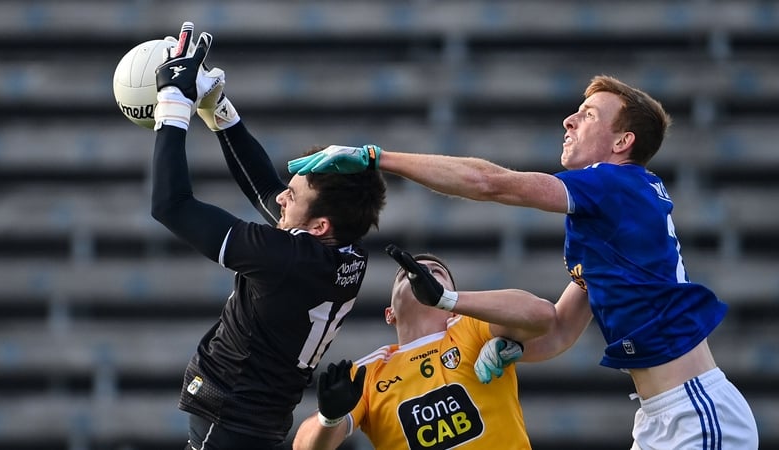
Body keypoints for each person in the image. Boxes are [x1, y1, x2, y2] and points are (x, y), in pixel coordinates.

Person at [287, 75, 759, 449]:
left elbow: (493, 183)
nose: (569, 121)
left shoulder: (616, 185)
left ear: (621, 143)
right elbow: (557, 330)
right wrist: (513, 349)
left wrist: (378, 157)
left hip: (692, 410)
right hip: (660, 415)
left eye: (588, 115)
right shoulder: (605, 220)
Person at [149, 23, 387, 449]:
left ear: (319, 227)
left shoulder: (286, 258)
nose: (281, 200)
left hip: (227, 417)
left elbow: (170, 205)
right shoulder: (348, 251)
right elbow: (266, 190)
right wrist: (218, 108)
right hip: (255, 422)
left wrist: (173, 104)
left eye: (292, 196)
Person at [292, 244, 581, 450]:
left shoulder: (471, 328)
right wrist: (329, 418)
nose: (421, 272)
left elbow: (543, 316)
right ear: (389, 313)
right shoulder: (367, 373)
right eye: (406, 274)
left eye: (436, 272)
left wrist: (447, 298)